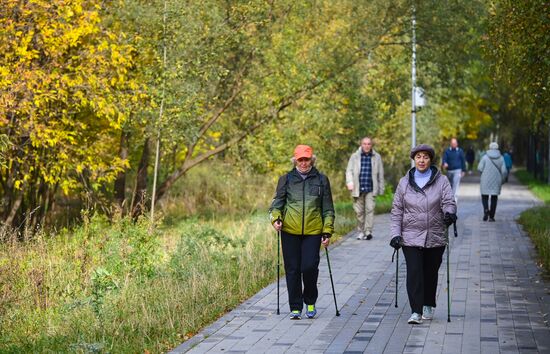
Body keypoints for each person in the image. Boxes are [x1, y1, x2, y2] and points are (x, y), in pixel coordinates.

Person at [389, 144, 457, 324]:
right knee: (414, 272)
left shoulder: (441, 181)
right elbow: (397, 210)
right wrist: (395, 234)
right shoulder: (404, 183)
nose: (421, 160)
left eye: (425, 157)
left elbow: (448, 201)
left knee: (430, 272)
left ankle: (428, 303)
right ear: (414, 159)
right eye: (418, 157)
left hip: (435, 235)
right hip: (410, 236)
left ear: (430, 160)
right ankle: (415, 311)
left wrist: (449, 213)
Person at [269, 144, 335, 320]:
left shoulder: (321, 180)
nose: (304, 163)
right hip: (290, 230)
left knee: (309, 267)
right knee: (292, 269)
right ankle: (296, 307)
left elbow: (328, 209)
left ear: (312, 160)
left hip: (313, 231)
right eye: (301, 160)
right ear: (295, 161)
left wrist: (327, 231)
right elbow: (277, 204)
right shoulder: (286, 179)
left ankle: (310, 301)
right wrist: (276, 219)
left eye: (307, 159)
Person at [345, 137, 385, 240]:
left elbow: (380, 173)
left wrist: (381, 188)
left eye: (369, 144)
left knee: (370, 210)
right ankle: (361, 231)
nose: (367, 146)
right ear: (361, 145)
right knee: (359, 212)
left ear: (371, 145)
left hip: (371, 188)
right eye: (364, 144)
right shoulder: (355, 156)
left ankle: (368, 232)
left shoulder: (377, 157)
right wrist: (350, 182)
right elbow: (349, 171)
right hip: (358, 188)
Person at [478, 142, 508, 222]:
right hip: (496, 181)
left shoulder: (484, 157)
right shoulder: (501, 158)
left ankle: (486, 210)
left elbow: (479, 168)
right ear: (497, 148)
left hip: (485, 180)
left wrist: (483, 175)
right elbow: (504, 171)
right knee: (494, 198)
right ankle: (491, 217)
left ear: (490, 148)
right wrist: (503, 180)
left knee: (484, 196)